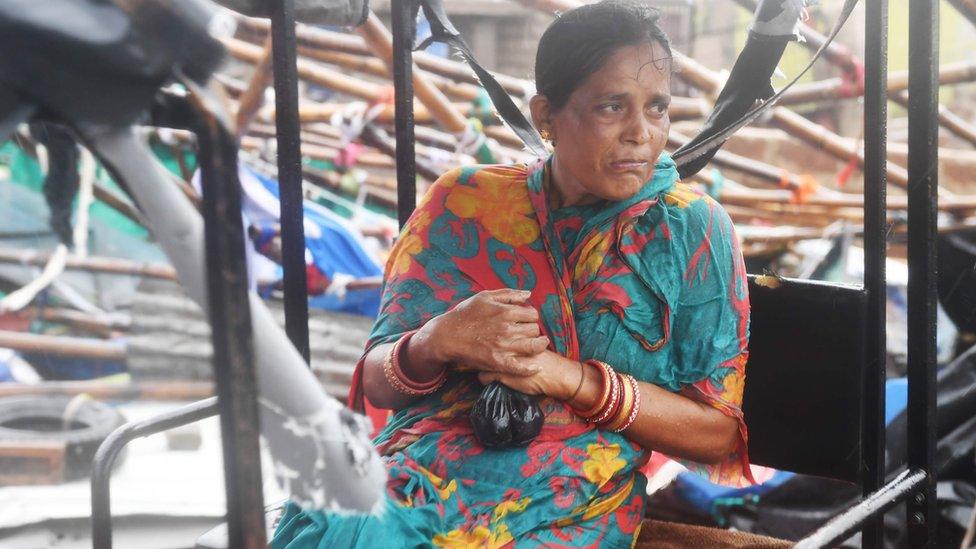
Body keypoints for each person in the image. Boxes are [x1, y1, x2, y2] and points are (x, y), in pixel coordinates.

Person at [272, 1, 753, 547]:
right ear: (546, 115)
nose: (641, 133)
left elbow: (715, 434)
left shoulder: (691, 231)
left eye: (658, 107)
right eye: (611, 107)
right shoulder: (465, 203)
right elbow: (378, 381)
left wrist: (571, 379)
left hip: (573, 498)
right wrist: (436, 340)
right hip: (420, 473)